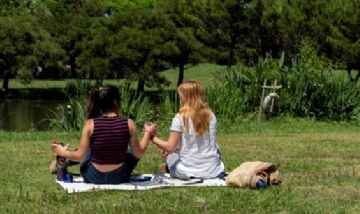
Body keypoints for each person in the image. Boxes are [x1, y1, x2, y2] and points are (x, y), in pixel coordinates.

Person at [51, 85, 156, 184]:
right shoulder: (129, 123)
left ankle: (66, 161)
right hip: (118, 177)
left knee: (90, 149)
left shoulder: (90, 124)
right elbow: (138, 153)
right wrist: (148, 132)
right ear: (115, 102)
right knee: (131, 152)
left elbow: (80, 156)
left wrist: (63, 153)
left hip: (92, 176)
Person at [151, 80, 225, 180]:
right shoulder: (211, 116)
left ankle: (171, 169)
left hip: (187, 172)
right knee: (216, 146)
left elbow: (170, 147)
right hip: (214, 171)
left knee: (171, 155)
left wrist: (152, 137)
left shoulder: (180, 117)